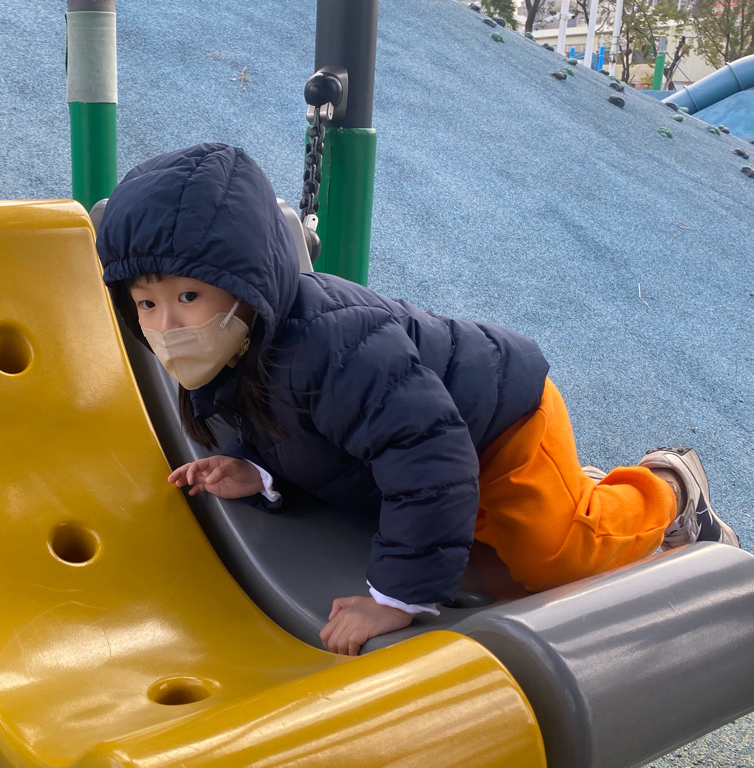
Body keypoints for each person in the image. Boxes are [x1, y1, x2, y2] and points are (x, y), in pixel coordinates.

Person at [95, 143, 740, 656]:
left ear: (246, 281)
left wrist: (394, 599)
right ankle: (569, 489)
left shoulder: (334, 345)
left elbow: (427, 451)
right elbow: (299, 431)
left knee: (554, 560)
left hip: (500, 426)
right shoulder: (233, 346)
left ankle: (670, 488)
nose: (167, 326)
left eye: (188, 296)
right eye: (147, 304)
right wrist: (257, 471)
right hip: (439, 443)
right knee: (492, 563)